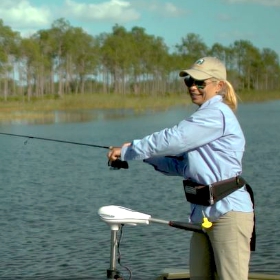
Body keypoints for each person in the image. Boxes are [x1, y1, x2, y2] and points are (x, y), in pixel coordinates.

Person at [107, 57, 255, 280]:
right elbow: (182, 166)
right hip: (203, 215)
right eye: (189, 81)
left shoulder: (216, 114)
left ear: (219, 85)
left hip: (228, 213)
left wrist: (132, 150)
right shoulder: (202, 118)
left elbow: (172, 138)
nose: (193, 87)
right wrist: (143, 156)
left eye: (200, 82)